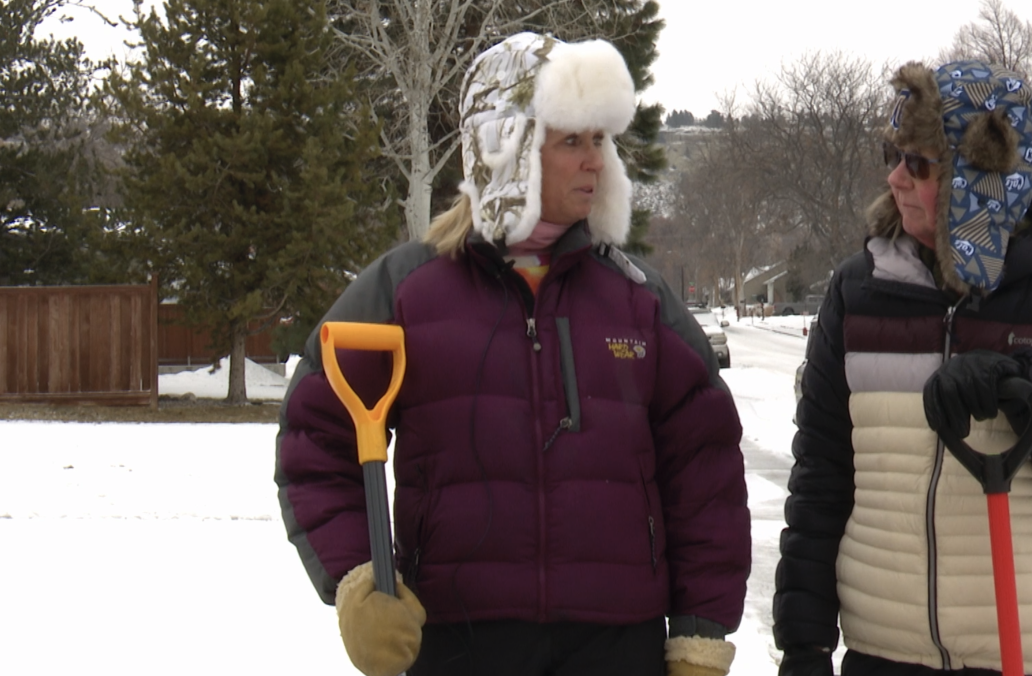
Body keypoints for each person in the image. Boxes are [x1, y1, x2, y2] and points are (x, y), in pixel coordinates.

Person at [274, 32, 750, 676]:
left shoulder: (638, 300)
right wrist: (358, 579)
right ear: (508, 146)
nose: (596, 162)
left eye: (600, 141)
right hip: (458, 645)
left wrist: (700, 633)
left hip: (616, 647)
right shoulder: (407, 292)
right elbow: (316, 437)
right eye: (571, 140)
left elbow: (705, 474)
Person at [773, 60, 1032, 676]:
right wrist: (805, 643)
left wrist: (1027, 385)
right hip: (887, 652)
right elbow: (822, 475)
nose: (896, 178)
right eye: (892, 153)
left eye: (920, 163)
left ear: (980, 176)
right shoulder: (861, 290)